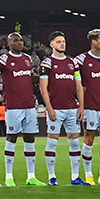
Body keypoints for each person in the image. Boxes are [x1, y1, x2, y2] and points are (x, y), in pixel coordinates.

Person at [0, 32, 45, 186]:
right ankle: (9, 176)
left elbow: (29, 78)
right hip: (13, 106)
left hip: (29, 105)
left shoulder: (27, 59)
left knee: (30, 139)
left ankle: (31, 176)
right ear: (8, 43)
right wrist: (3, 87)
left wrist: (41, 78)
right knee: (12, 138)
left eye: (20, 40)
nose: (19, 43)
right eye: (15, 40)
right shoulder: (4, 59)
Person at [39, 31, 88, 186]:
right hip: (56, 109)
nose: (62, 44)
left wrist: (81, 106)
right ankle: (52, 177)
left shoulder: (73, 63)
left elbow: (79, 86)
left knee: (74, 142)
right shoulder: (47, 63)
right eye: (58, 41)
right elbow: (43, 88)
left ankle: (75, 177)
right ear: (51, 44)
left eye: (64, 41)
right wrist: (49, 108)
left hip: (72, 108)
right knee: (52, 142)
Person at [74, 29, 100, 185]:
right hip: (90, 106)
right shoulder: (81, 60)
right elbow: (74, 79)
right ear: (94, 42)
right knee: (89, 139)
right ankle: (88, 175)